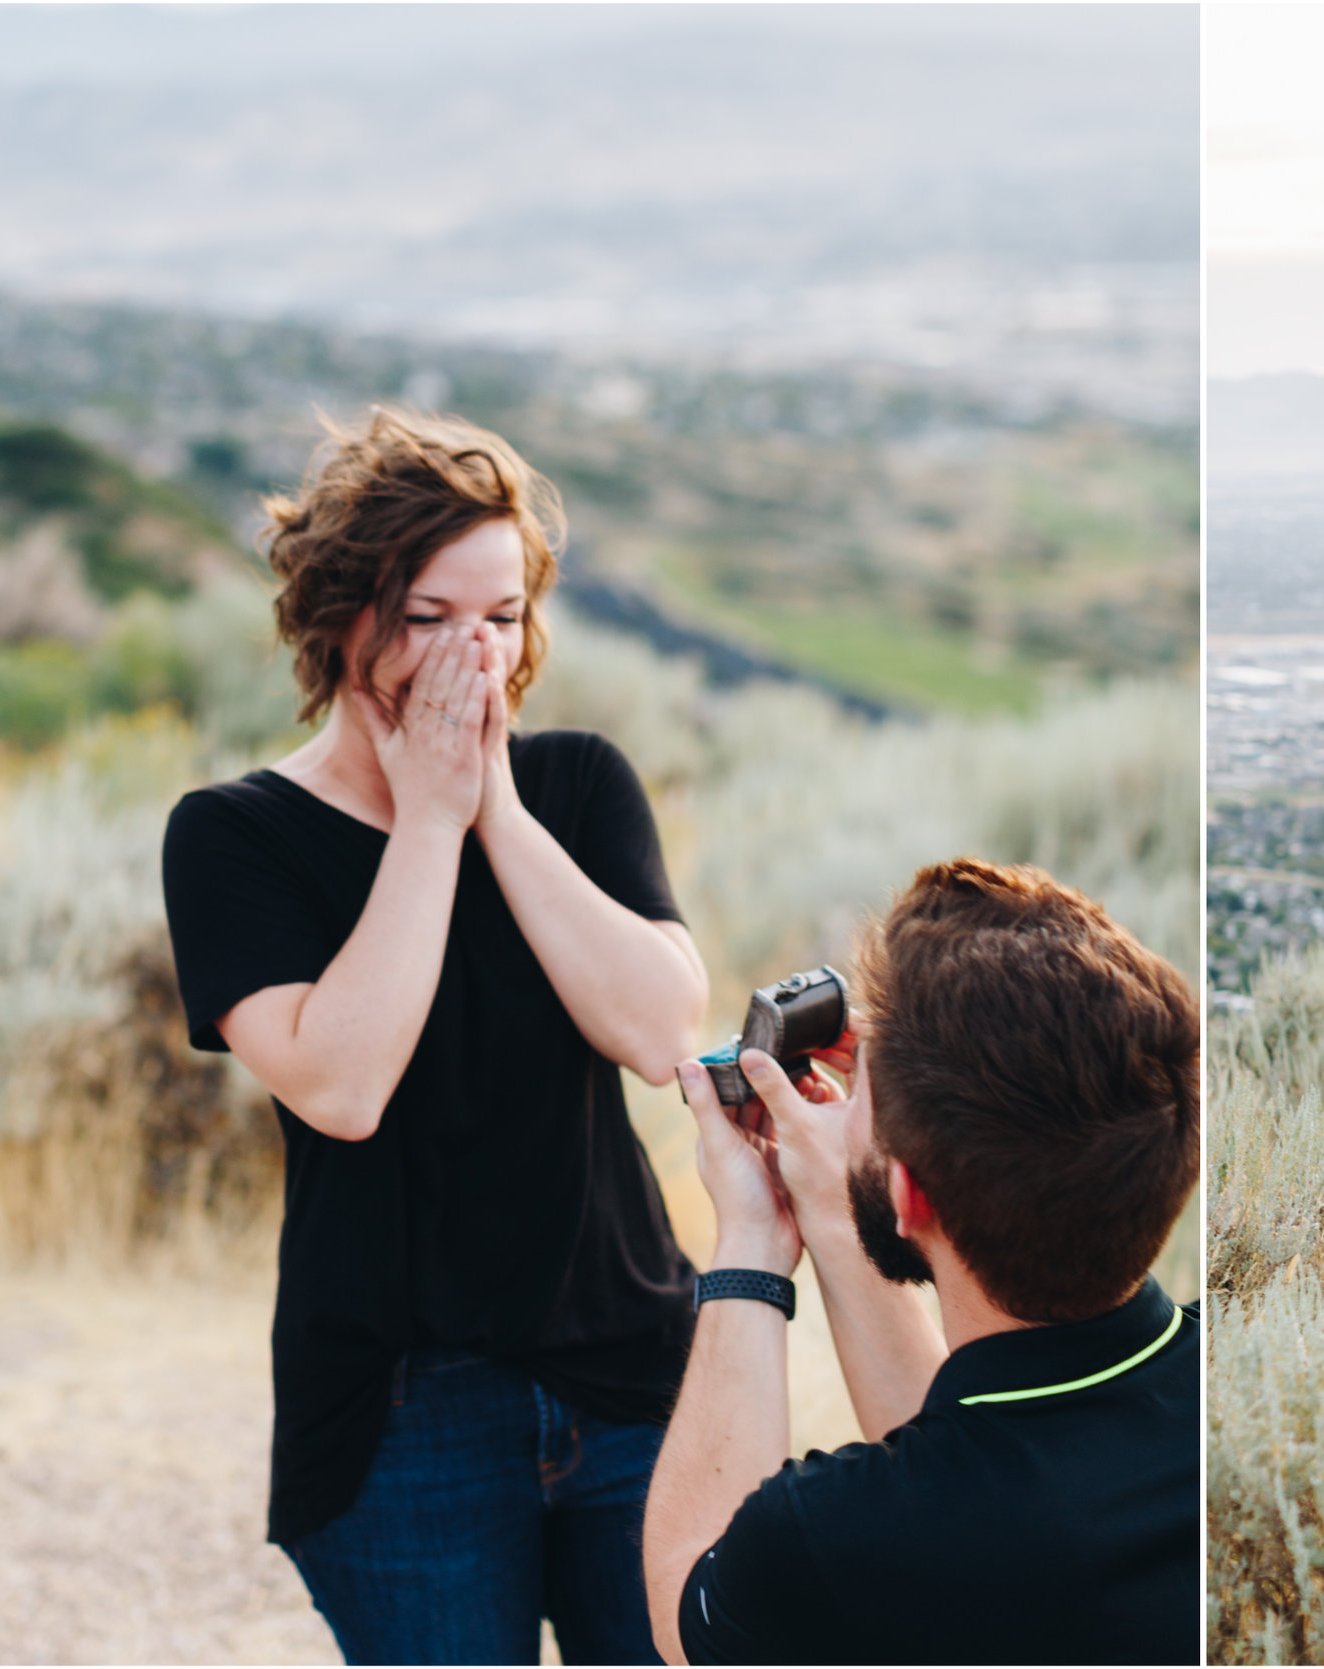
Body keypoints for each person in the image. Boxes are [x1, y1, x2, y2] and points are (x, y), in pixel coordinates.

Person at [161, 410, 709, 1664]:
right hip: (405, 1416)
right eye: (428, 618)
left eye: (502, 616)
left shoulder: (576, 787)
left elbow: (661, 1028)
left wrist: (493, 809)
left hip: (631, 1369)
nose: (474, 652)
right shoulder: (234, 837)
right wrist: (423, 823)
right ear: (338, 617)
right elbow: (341, 1085)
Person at [642, 858, 1200, 1667]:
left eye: (866, 1092)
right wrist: (839, 1207)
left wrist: (750, 1251)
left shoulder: (830, 1537)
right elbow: (967, 1444)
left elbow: (683, 1593)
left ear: (910, 1197)